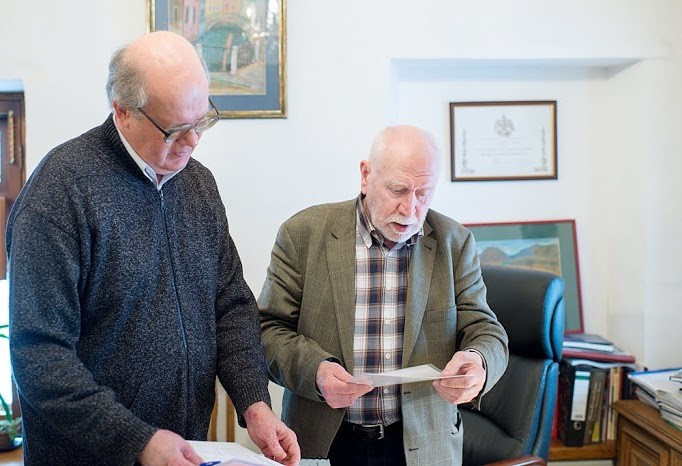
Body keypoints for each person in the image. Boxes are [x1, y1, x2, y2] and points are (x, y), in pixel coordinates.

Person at [6, 31, 299, 466]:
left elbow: (231, 306)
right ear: (123, 111)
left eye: (203, 120)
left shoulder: (199, 185)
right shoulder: (62, 190)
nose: (193, 141)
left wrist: (254, 403)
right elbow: (39, 355)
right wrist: (137, 441)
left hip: (186, 450)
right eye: (176, 129)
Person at [258, 125, 509, 465]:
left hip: (421, 446)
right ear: (366, 175)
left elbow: (487, 331)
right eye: (398, 190)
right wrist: (315, 371)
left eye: (423, 193)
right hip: (324, 439)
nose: (410, 209)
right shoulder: (302, 234)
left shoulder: (455, 242)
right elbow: (267, 331)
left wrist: (479, 362)